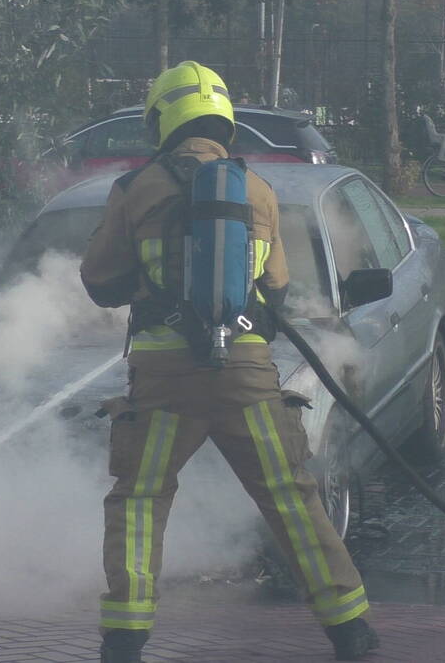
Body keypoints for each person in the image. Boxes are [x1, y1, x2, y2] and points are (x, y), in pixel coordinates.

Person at [80, 61, 379, 663]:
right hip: (245, 375)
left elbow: (100, 280)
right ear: (225, 121)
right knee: (290, 498)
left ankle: (125, 639)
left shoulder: (136, 189)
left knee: (140, 501)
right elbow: (277, 287)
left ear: (161, 120)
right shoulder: (258, 190)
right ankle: (351, 629)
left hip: (164, 381)